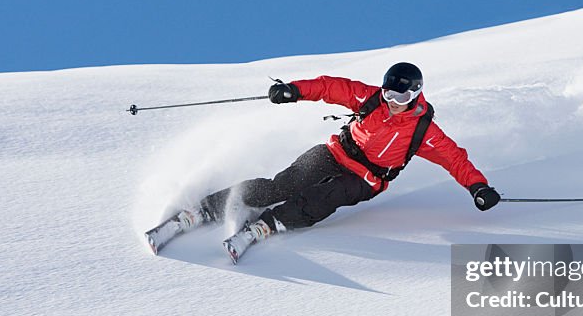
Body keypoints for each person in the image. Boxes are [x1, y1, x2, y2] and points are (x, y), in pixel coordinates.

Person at [146, 62, 500, 262]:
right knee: (285, 183)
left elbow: (455, 158)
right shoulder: (371, 99)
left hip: (366, 179)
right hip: (337, 152)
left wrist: (478, 187)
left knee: (320, 201)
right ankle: (204, 210)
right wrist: (293, 91)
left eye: (401, 95)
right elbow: (332, 87)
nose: (393, 100)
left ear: (416, 94)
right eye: (389, 92)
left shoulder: (423, 130)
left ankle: (268, 224)